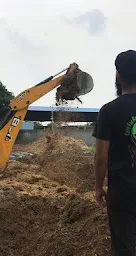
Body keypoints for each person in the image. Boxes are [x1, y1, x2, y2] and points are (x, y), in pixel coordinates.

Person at [93, 50, 136, 255]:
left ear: (118, 75)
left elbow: (101, 157)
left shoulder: (109, 111)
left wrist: (98, 187)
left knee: (123, 248)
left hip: (122, 193)